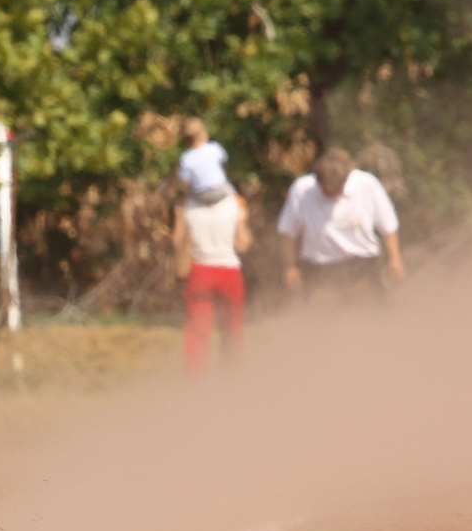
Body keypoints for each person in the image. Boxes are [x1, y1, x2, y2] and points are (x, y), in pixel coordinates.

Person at [172, 118, 251, 373]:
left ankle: (197, 387)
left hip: (200, 271)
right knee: (232, 331)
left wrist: (178, 221)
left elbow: (177, 241)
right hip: (229, 271)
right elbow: (243, 244)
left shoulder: (187, 207)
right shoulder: (234, 202)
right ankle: (232, 382)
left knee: (197, 334)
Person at [276, 148, 405, 302]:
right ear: (318, 181)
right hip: (319, 270)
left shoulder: (367, 185)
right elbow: (287, 232)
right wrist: (289, 267)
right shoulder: (302, 190)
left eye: (337, 189)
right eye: (326, 189)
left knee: (371, 317)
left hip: (363, 265)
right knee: (321, 321)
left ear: (347, 178)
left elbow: (388, 225)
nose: (332, 194)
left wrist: (394, 258)